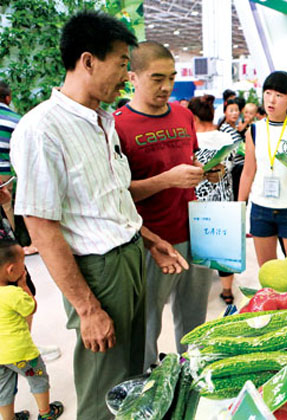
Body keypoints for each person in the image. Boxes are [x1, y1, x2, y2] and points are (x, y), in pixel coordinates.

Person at [10, 12, 187, 420]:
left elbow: (111, 202)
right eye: (123, 63)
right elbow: (42, 225)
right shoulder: (43, 129)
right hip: (97, 273)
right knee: (102, 388)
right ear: (88, 61)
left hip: (130, 259)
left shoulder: (102, 122)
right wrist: (88, 309)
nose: (127, 75)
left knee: (129, 379)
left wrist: (151, 240)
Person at [113, 41, 214, 369]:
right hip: (148, 240)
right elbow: (116, 193)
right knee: (146, 322)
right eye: (157, 78)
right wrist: (168, 179)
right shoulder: (117, 126)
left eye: (171, 77)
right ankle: (145, 383)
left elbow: (191, 162)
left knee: (195, 318)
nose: (166, 86)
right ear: (133, 77)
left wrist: (209, 172)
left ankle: (192, 375)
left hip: (194, 232)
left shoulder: (184, 116)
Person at [238, 71, 287, 266]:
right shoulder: (254, 130)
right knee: (267, 271)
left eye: (279, 95)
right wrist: (240, 205)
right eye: (267, 93)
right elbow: (248, 171)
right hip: (260, 209)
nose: (271, 100)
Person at [0, 240, 64, 420]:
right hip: (22, 353)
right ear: (11, 270)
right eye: (23, 262)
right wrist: (23, 285)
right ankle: (45, 413)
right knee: (38, 378)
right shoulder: (13, 294)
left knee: (3, 387)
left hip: (0, 356)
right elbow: (30, 308)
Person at [188, 94, 238, 304]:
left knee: (197, 250)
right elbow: (233, 166)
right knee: (223, 250)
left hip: (197, 203)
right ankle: (227, 291)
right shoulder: (226, 139)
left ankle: (196, 293)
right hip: (223, 201)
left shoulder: (192, 142)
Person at [217, 98, 246, 200]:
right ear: (225, 112)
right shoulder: (226, 129)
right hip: (236, 171)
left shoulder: (235, 128)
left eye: (236, 110)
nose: (235, 113)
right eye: (231, 110)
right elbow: (242, 150)